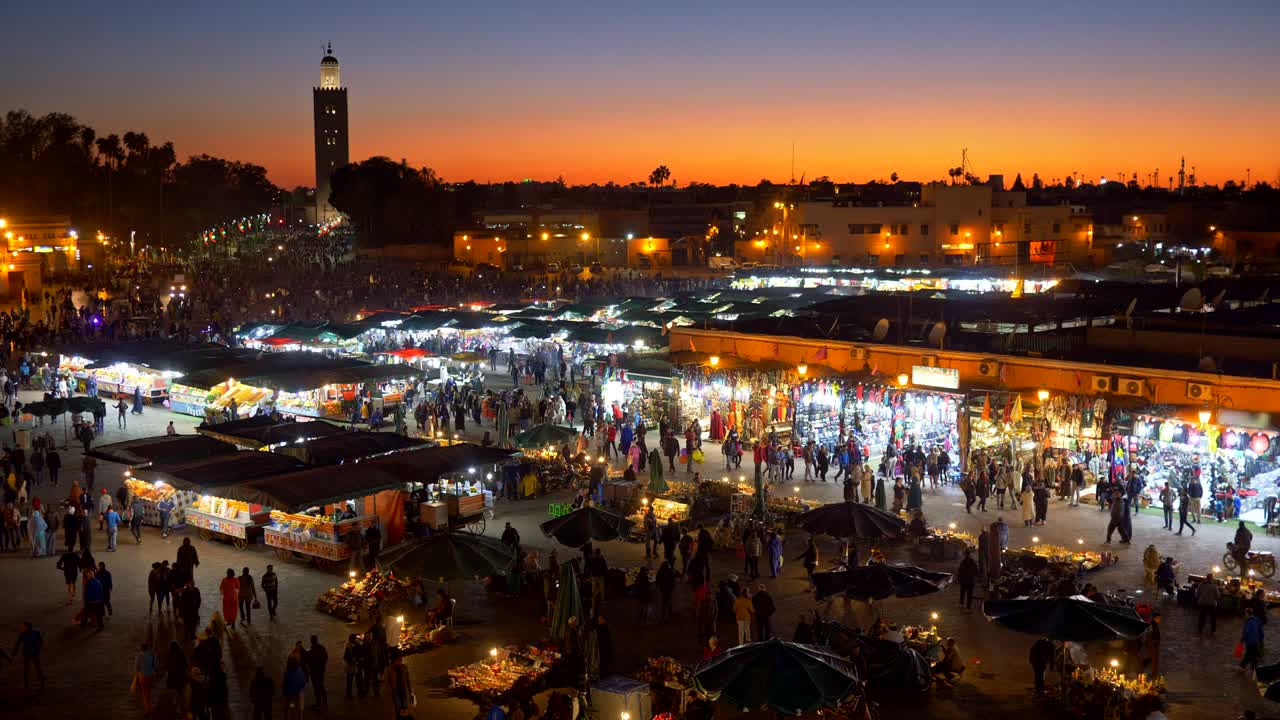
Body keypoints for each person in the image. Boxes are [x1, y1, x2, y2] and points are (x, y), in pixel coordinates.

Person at [11, 621, 45, 690]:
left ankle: (27, 684)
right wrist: (37, 649)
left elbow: (18, 644)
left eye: (23, 626)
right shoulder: (36, 632)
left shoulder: (23, 634)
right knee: (37, 667)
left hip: (28, 653)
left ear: (26, 627)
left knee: (27, 669)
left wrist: (13, 653)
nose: (22, 627)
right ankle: (41, 681)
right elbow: (40, 641)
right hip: (34, 652)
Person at [134, 641, 159, 715]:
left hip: (143, 677)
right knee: (149, 692)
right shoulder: (152, 654)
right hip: (151, 676)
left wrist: (138, 674)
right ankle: (149, 706)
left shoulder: (138, 656)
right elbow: (155, 665)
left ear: (141, 648)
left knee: (144, 694)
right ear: (147, 648)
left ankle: (147, 709)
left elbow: (136, 668)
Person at [308, 635, 329, 709]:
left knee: (316, 688)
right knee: (321, 685)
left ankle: (318, 703)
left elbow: (310, 661)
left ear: (311, 641)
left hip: (314, 672)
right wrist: (323, 666)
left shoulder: (312, 650)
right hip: (321, 670)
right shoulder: (322, 648)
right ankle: (325, 701)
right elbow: (326, 657)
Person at [1241, 606, 1264, 672]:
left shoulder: (1248, 622)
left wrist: (1242, 639)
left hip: (1250, 642)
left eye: (1245, 613)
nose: (1245, 615)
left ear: (1248, 614)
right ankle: (1255, 669)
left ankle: (1242, 666)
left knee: (1248, 654)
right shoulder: (1256, 620)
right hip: (1256, 641)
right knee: (1253, 655)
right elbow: (1260, 630)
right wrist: (1261, 638)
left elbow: (1246, 632)